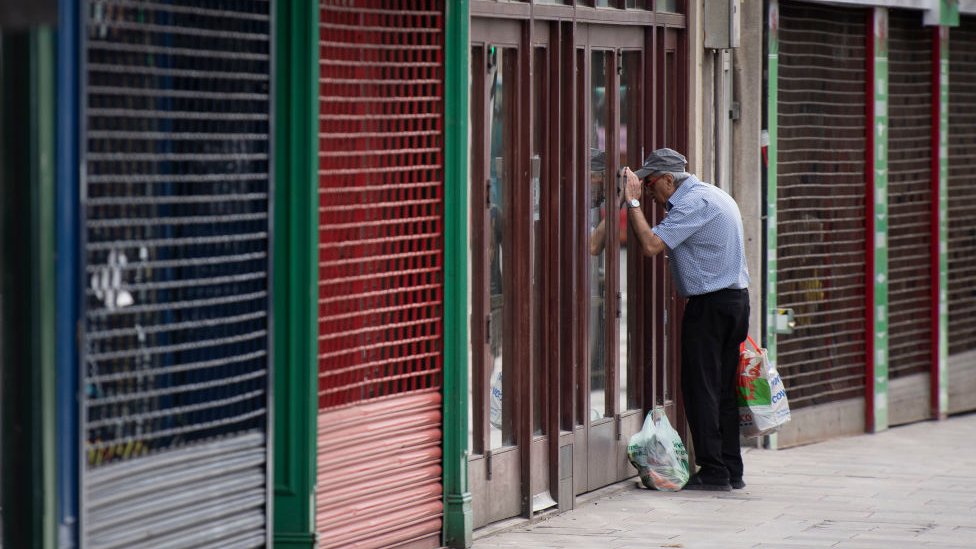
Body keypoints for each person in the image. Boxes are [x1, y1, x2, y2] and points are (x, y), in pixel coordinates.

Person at [621, 148, 751, 492]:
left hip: (711, 305)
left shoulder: (694, 204)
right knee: (722, 389)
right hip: (733, 301)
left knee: (701, 389)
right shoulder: (711, 194)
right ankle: (729, 469)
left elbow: (651, 245)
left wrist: (632, 204)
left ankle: (713, 470)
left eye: (649, 184)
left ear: (668, 179)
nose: (647, 191)